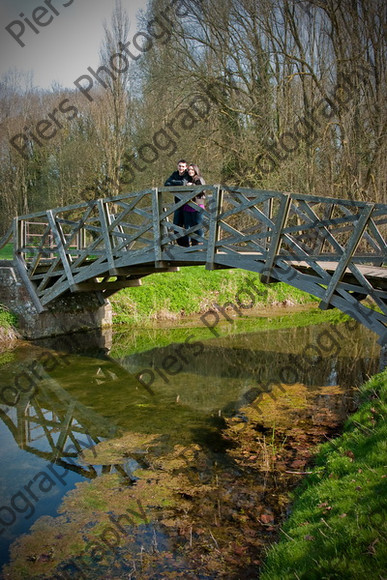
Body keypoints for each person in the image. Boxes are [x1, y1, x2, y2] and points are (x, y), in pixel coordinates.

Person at [181, 164, 206, 247]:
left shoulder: (199, 178)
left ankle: (199, 244)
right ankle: (189, 244)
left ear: (195, 170)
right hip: (188, 205)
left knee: (198, 225)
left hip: (198, 205)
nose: (190, 171)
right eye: (189, 170)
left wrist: (192, 185)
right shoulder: (188, 179)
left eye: (192, 169)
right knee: (188, 226)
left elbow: (203, 189)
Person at [164, 159, 189, 235]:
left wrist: (173, 182)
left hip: (187, 202)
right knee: (176, 224)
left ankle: (189, 243)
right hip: (177, 202)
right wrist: (177, 182)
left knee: (187, 224)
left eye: (183, 166)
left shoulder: (188, 174)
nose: (181, 168)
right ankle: (179, 242)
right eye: (179, 166)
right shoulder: (175, 174)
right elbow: (166, 184)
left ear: (186, 167)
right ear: (177, 166)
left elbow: (183, 183)